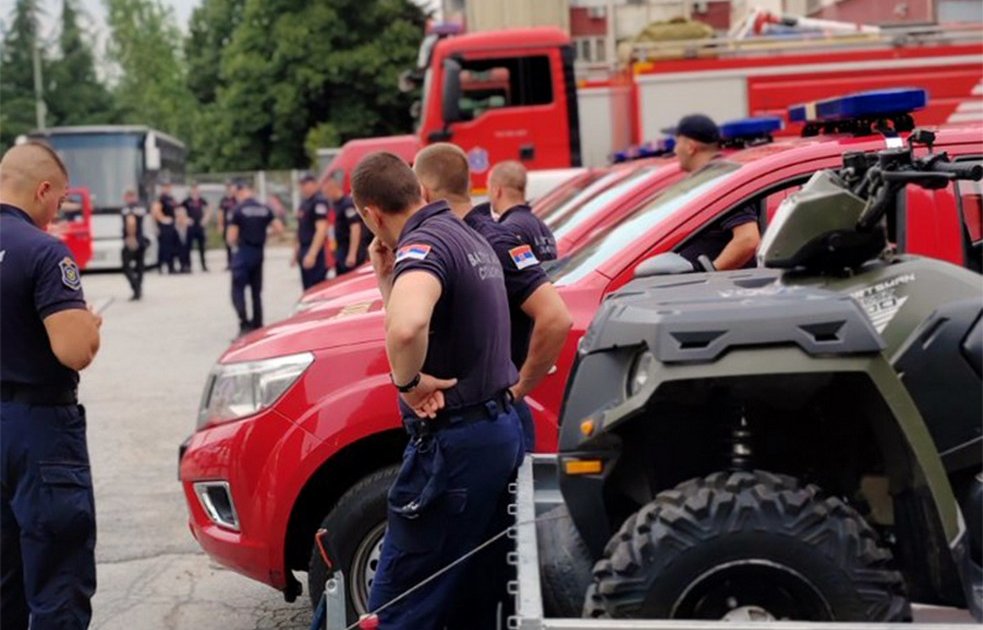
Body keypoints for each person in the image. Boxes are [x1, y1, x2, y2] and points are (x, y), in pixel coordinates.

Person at [353, 152, 523, 630]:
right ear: (419, 192)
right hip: (494, 431)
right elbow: (436, 318)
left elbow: (407, 328)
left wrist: (407, 384)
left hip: (456, 446)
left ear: (372, 214)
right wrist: (387, 282)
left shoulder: (423, 245)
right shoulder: (466, 234)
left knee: (397, 606)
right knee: (466, 595)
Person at [0, 141, 102, 630]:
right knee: (58, 582)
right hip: (38, 431)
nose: (56, 212)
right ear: (43, 190)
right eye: (59, 201)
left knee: (4, 585)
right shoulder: (43, 251)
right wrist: (88, 328)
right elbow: (73, 351)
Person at [415, 145, 571, 453]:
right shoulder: (462, 238)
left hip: (492, 414)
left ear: (424, 192)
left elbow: (556, 318)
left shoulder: (495, 241)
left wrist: (519, 388)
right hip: (468, 417)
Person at [673, 114, 761, 269]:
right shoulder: (709, 179)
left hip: (720, 289)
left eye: (677, 143)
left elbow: (748, 239)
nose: (675, 150)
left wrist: (711, 273)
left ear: (690, 147)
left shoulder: (723, 181)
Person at [227, 179, 284, 335]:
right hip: (258, 252)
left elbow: (231, 237)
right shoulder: (265, 208)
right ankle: (258, 324)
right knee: (256, 291)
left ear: (239, 192)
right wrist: (264, 235)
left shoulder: (237, 210)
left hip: (244, 252)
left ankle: (244, 323)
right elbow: (279, 229)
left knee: (237, 289)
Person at [488, 160, 558, 262]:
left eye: (488, 189)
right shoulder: (542, 227)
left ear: (496, 191)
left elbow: (523, 275)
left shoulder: (509, 230)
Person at [325, 175, 367, 275]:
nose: (326, 195)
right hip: (340, 249)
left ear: (333, 188)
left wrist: (352, 254)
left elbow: (355, 228)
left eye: (327, 191)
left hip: (349, 248)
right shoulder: (336, 204)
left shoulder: (347, 204)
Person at [293, 173, 329, 289]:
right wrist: (296, 253)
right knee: (307, 287)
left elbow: (321, 229)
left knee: (316, 287)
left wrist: (312, 254)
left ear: (314, 184)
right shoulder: (304, 202)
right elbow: (300, 229)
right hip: (303, 248)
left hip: (313, 248)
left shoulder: (319, 201)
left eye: (306, 184)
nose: (303, 187)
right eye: (301, 184)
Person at [120, 188, 148, 300]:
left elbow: (131, 222)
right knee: (140, 265)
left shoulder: (127, 209)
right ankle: (139, 288)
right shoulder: (141, 208)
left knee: (126, 266)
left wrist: (131, 237)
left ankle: (136, 287)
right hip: (141, 240)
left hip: (132, 241)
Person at [151, 179, 180, 274]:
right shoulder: (161, 198)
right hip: (164, 226)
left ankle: (171, 267)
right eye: (165, 187)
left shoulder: (171, 198)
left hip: (172, 225)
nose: (167, 188)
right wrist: (163, 219)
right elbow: (155, 210)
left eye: (169, 186)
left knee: (173, 247)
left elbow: (177, 209)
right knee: (164, 248)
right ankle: (161, 267)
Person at [181, 183, 210, 272]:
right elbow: (180, 210)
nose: (195, 191)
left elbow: (209, 208)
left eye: (196, 189)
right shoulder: (187, 201)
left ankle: (203, 265)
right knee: (188, 247)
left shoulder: (202, 200)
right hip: (191, 226)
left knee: (202, 247)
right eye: (193, 189)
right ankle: (188, 266)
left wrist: (205, 219)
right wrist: (185, 219)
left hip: (200, 226)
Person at [217, 180, 238, 270]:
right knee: (228, 245)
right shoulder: (223, 200)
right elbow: (220, 213)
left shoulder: (236, 199)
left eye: (230, 186)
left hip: (236, 225)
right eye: (227, 187)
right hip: (227, 225)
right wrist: (220, 224)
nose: (229, 188)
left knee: (237, 244)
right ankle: (230, 263)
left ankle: (237, 262)